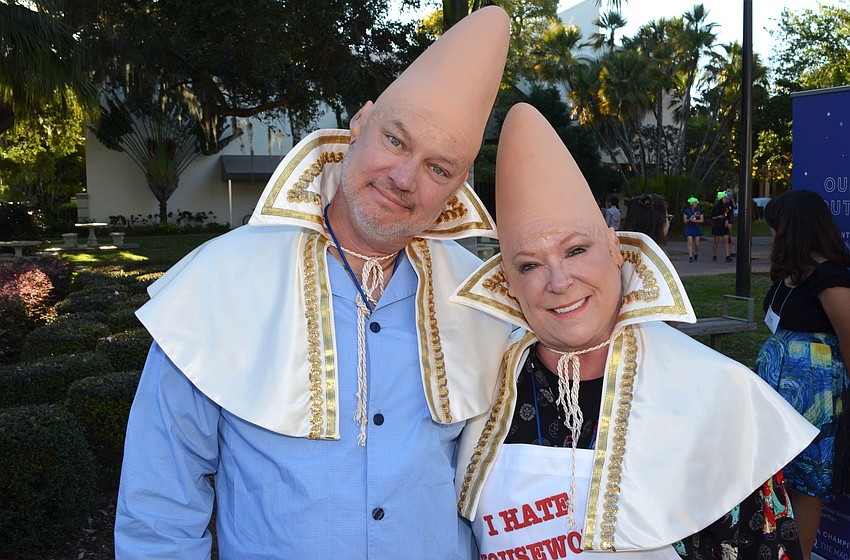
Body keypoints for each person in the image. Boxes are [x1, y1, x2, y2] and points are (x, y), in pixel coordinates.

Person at [114, 7, 512, 558]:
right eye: (396, 141)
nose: (404, 179)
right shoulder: (223, 282)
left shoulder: (483, 303)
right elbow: (158, 508)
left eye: (438, 168)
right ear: (360, 122)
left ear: (458, 186)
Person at [450, 104, 817, 558]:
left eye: (576, 249)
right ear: (506, 282)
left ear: (615, 247)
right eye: (529, 265)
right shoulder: (481, 388)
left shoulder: (715, 393)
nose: (559, 282)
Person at [754, 189, 850, 560]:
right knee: (780, 477)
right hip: (779, 393)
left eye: (777, 227)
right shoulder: (791, 274)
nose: (773, 235)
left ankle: (801, 555)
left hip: (814, 398)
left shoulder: (830, 278)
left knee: (807, 482)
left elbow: (848, 340)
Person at [711, 190, 732, 262]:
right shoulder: (716, 208)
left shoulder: (727, 207)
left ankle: (727, 256)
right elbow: (712, 217)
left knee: (726, 239)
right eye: (724, 198)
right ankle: (714, 255)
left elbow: (729, 216)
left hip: (724, 225)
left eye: (726, 198)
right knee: (716, 241)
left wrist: (728, 221)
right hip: (717, 225)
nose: (725, 199)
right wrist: (718, 217)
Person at [683, 196, 704, 262]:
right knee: (690, 242)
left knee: (697, 243)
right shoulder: (686, 211)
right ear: (691, 203)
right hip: (689, 227)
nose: (696, 204)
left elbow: (702, 220)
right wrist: (689, 219)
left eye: (696, 203)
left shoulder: (699, 211)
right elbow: (685, 221)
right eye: (694, 202)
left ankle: (696, 254)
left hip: (696, 227)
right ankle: (690, 256)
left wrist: (695, 221)